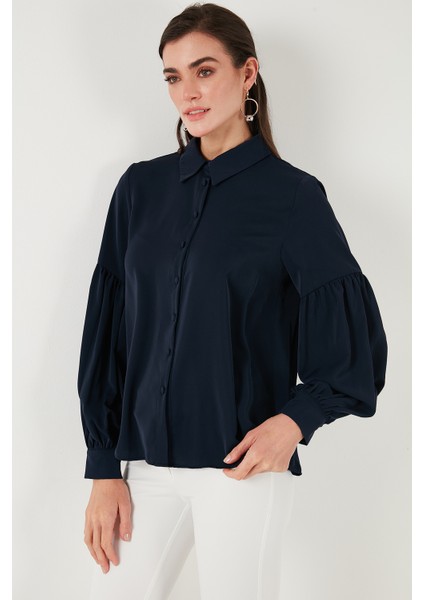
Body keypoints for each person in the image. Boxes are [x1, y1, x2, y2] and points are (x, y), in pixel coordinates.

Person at [77, 3, 388, 599]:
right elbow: (109, 330)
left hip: (241, 470)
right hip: (141, 469)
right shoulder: (139, 189)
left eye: (204, 71)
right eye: (173, 77)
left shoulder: (293, 197)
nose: (188, 93)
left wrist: (295, 422)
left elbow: (354, 345)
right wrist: (102, 465)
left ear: (248, 73)